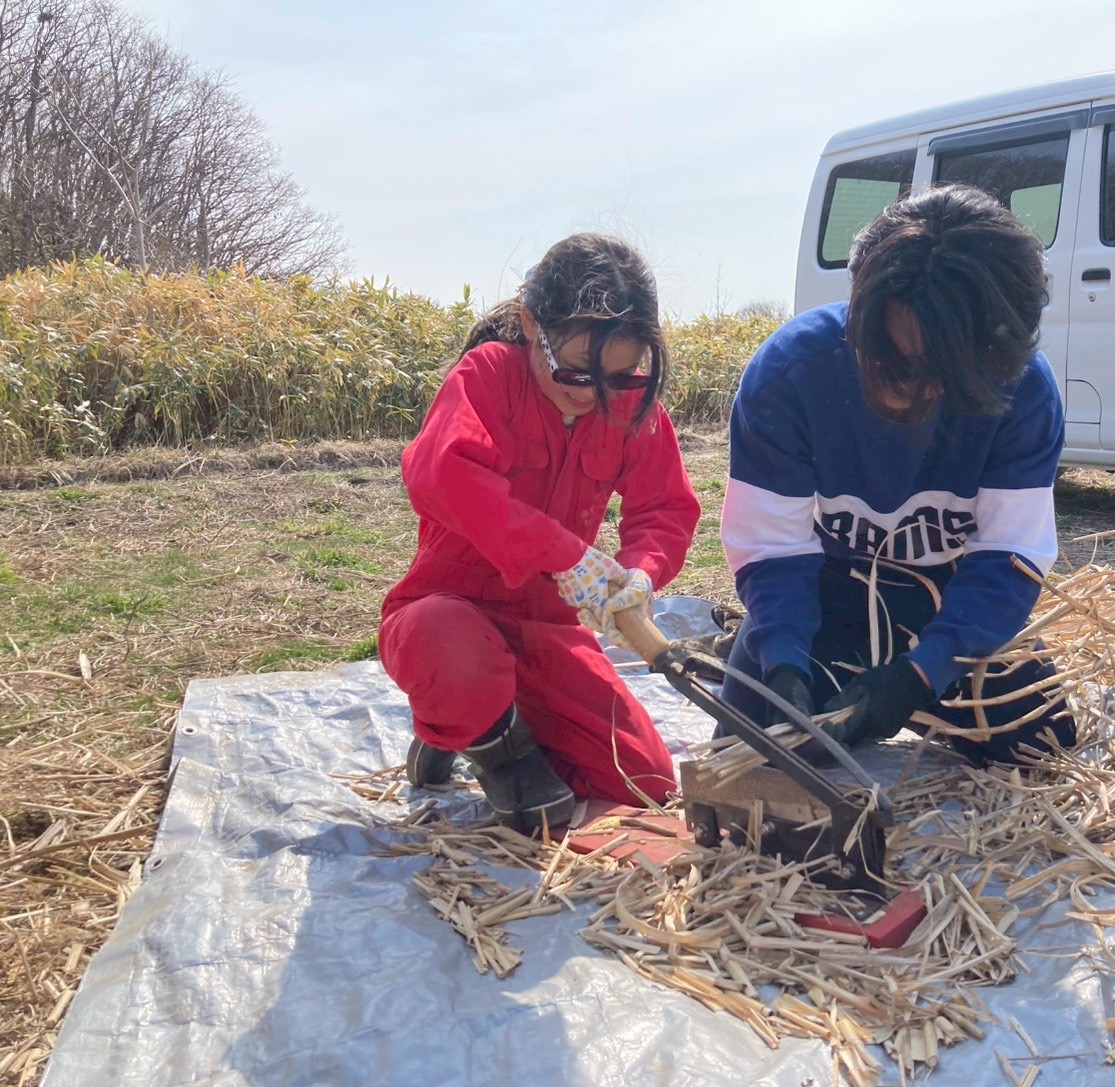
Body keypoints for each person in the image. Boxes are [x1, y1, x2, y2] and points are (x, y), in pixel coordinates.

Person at [719, 184, 1076, 765]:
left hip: (951, 596)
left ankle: (897, 699)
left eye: (937, 371)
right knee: (752, 754)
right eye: (888, 359)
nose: (901, 390)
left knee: (1041, 745)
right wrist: (783, 659)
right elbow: (773, 547)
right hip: (827, 595)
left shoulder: (1025, 392)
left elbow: (1008, 553)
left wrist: (922, 673)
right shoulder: (790, 373)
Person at [380, 233, 701, 832]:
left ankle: (479, 723)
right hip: (449, 610)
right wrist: (564, 554)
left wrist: (640, 571)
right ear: (533, 325)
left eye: (620, 374)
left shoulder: (632, 405)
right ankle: (493, 746)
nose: (592, 393)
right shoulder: (489, 375)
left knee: (643, 781)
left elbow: (665, 509)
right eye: (575, 370)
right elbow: (439, 472)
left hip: (546, 626)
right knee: (448, 648)